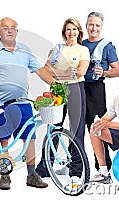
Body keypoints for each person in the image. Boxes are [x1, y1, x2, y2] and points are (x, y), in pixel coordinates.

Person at [0, 17, 55, 190]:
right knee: (3, 139)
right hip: (0, 104)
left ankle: (31, 175)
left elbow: (39, 70)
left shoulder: (25, 50)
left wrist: (55, 84)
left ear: (17, 30)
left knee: (30, 138)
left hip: (22, 102)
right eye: (6, 28)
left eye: (13, 27)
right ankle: (4, 175)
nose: (10, 30)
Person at [36, 17, 90, 178]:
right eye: (68, 29)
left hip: (76, 90)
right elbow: (46, 70)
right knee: (53, 127)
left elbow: (80, 72)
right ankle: (45, 168)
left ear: (79, 31)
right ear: (64, 32)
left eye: (74, 29)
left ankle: (76, 170)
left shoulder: (83, 50)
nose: (71, 32)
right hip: (58, 89)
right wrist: (65, 73)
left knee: (76, 129)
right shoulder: (57, 49)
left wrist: (58, 72)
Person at [82, 12, 119, 172]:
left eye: (97, 25)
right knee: (77, 127)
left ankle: (103, 165)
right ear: (86, 26)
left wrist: (104, 72)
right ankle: (76, 165)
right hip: (79, 87)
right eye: (91, 24)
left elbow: (117, 71)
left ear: (101, 27)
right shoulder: (80, 44)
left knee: (97, 126)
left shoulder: (107, 46)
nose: (94, 28)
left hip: (97, 89)